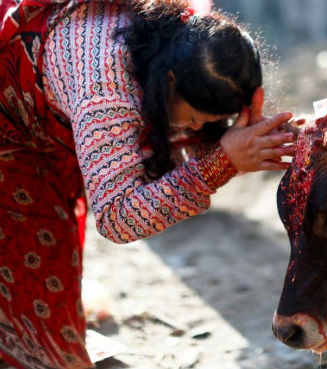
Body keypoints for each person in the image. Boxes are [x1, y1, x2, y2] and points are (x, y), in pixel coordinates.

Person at [0, 0, 296, 368]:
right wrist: (221, 164)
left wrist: (249, 138)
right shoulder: (105, 90)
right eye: (192, 119)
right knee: (30, 295)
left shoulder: (184, 38)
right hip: (9, 138)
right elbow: (117, 216)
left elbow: (167, 132)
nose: (192, 131)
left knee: (49, 282)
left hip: (43, 120)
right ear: (169, 80)